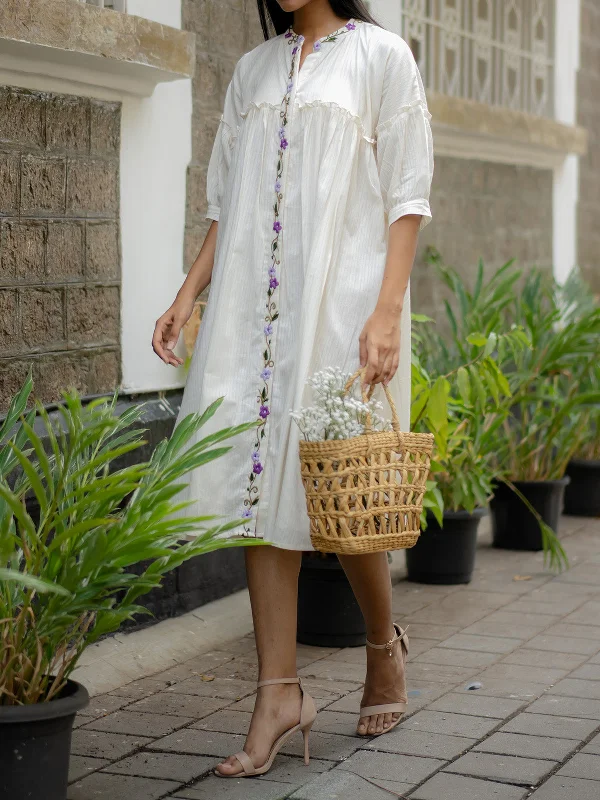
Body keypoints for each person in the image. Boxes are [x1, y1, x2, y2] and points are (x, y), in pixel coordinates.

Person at [152, 0, 433, 779]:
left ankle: (383, 643)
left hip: (338, 307)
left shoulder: (381, 57)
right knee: (258, 486)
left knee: (340, 491)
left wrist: (385, 313)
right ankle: (277, 691)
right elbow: (225, 200)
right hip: (253, 312)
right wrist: (188, 294)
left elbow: (408, 194)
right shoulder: (253, 69)